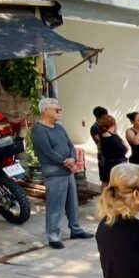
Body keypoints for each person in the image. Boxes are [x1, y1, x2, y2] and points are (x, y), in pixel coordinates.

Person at [31, 98, 93, 249]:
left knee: (72, 203)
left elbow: (70, 145)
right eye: (56, 110)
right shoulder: (38, 129)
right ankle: (53, 236)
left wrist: (73, 158)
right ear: (45, 111)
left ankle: (75, 229)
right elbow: (47, 151)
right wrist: (66, 161)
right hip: (55, 173)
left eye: (60, 109)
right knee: (55, 206)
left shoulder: (59, 127)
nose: (59, 112)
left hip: (67, 171)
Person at [96, 114, 129, 186]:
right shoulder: (111, 137)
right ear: (114, 124)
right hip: (116, 163)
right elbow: (125, 149)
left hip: (107, 162)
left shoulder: (104, 135)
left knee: (106, 182)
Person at [91, 106, 111, 189]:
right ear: (98, 118)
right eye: (105, 117)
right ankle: (104, 196)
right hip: (103, 156)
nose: (107, 118)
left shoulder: (107, 125)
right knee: (105, 180)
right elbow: (102, 141)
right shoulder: (95, 128)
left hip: (112, 155)